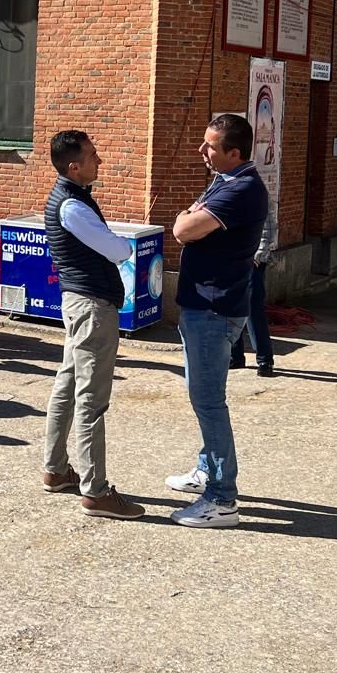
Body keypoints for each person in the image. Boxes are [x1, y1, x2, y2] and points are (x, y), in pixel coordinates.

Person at [166, 114, 269, 528]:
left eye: (210, 146)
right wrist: (191, 215)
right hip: (204, 306)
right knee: (202, 396)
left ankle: (222, 499)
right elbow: (190, 225)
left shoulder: (241, 189)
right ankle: (207, 468)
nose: (202, 151)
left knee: (209, 402)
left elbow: (183, 230)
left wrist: (188, 216)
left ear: (234, 152)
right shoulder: (225, 181)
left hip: (213, 309)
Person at [39, 129, 145, 521]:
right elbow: (118, 250)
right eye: (93, 155)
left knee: (68, 386)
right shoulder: (72, 205)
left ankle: (55, 470)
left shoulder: (72, 197)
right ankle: (96, 491)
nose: (99, 160)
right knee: (92, 400)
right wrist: (123, 244)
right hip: (92, 308)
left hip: (82, 304)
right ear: (74, 166)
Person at [228, 198, 279, 376]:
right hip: (231, 259)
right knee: (232, 306)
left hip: (252, 262)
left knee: (253, 309)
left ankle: (264, 359)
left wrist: (256, 259)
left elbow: (268, 230)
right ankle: (235, 356)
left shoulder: (257, 195)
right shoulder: (224, 192)